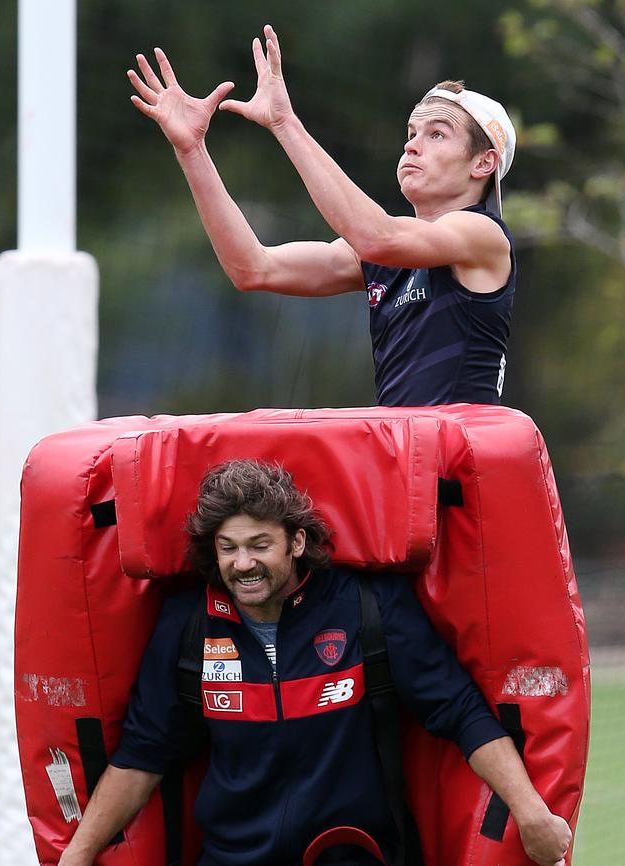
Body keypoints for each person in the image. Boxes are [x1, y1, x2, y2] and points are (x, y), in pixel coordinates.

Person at [58, 459, 571, 866]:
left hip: (354, 853)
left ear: (296, 542)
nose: (243, 564)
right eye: (228, 548)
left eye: (260, 545)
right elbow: (144, 752)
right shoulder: (187, 624)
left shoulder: (368, 608)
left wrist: (531, 814)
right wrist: (77, 854)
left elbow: (459, 711)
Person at [127, 26, 516, 407]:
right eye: (411, 133)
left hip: (458, 466)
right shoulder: (383, 255)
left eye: (436, 135)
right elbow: (253, 268)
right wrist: (192, 150)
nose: (412, 146)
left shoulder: (481, 232)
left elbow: (379, 236)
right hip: (407, 462)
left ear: (483, 163)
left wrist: (284, 122)